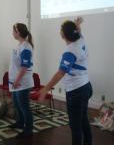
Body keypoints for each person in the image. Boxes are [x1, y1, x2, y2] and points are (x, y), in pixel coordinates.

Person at [39, 17, 93, 145]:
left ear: (63, 35)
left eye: (61, 30)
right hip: (86, 87)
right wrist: (77, 24)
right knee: (83, 120)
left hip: (76, 92)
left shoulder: (70, 51)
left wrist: (45, 89)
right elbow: (78, 31)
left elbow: (60, 73)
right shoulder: (80, 40)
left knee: (75, 126)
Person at [8, 23, 34, 138]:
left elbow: (25, 66)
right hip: (16, 82)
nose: (12, 33)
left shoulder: (26, 47)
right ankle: (20, 122)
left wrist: (17, 80)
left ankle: (28, 130)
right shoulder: (19, 45)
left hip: (22, 83)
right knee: (17, 105)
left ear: (18, 32)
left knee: (24, 107)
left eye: (13, 31)